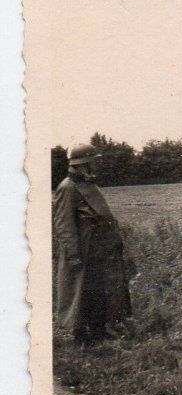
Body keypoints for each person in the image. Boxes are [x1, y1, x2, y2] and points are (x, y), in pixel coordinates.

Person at [53, 143, 132, 345]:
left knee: (98, 293)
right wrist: (73, 256)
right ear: (83, 164)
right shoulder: (68, 187)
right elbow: (64, 225)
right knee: (81, 295)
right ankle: (81, 337)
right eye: (94, 161)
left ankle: (99, 331)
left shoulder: (88, 184)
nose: (97, 166)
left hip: (98, 250)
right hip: (83, 252)